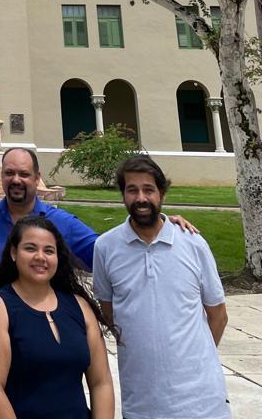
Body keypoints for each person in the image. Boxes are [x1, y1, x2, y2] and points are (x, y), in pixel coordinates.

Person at [93, 155, 229, 419]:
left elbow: (218, 315)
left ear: (162, 194)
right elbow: (109, 314)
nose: (141, 198)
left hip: (203, 404)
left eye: (149, 189)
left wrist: (190, 361)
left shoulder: (192, 243)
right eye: (132, 190)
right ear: (122, 195)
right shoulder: (105, 248)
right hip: (142, 403)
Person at [0, 146, 197, 294]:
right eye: (9, 173)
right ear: (1, 176)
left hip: (45, 334)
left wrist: (158, 225)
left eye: (24, 174)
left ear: (37, 179)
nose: (16, 180)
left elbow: (108, 254)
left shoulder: (61, 223)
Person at [0, 216, 115, 419]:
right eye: (30, 248)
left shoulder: (80, 307)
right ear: (13, 253)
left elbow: (101, 383)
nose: (40, 257)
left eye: (49, 250)